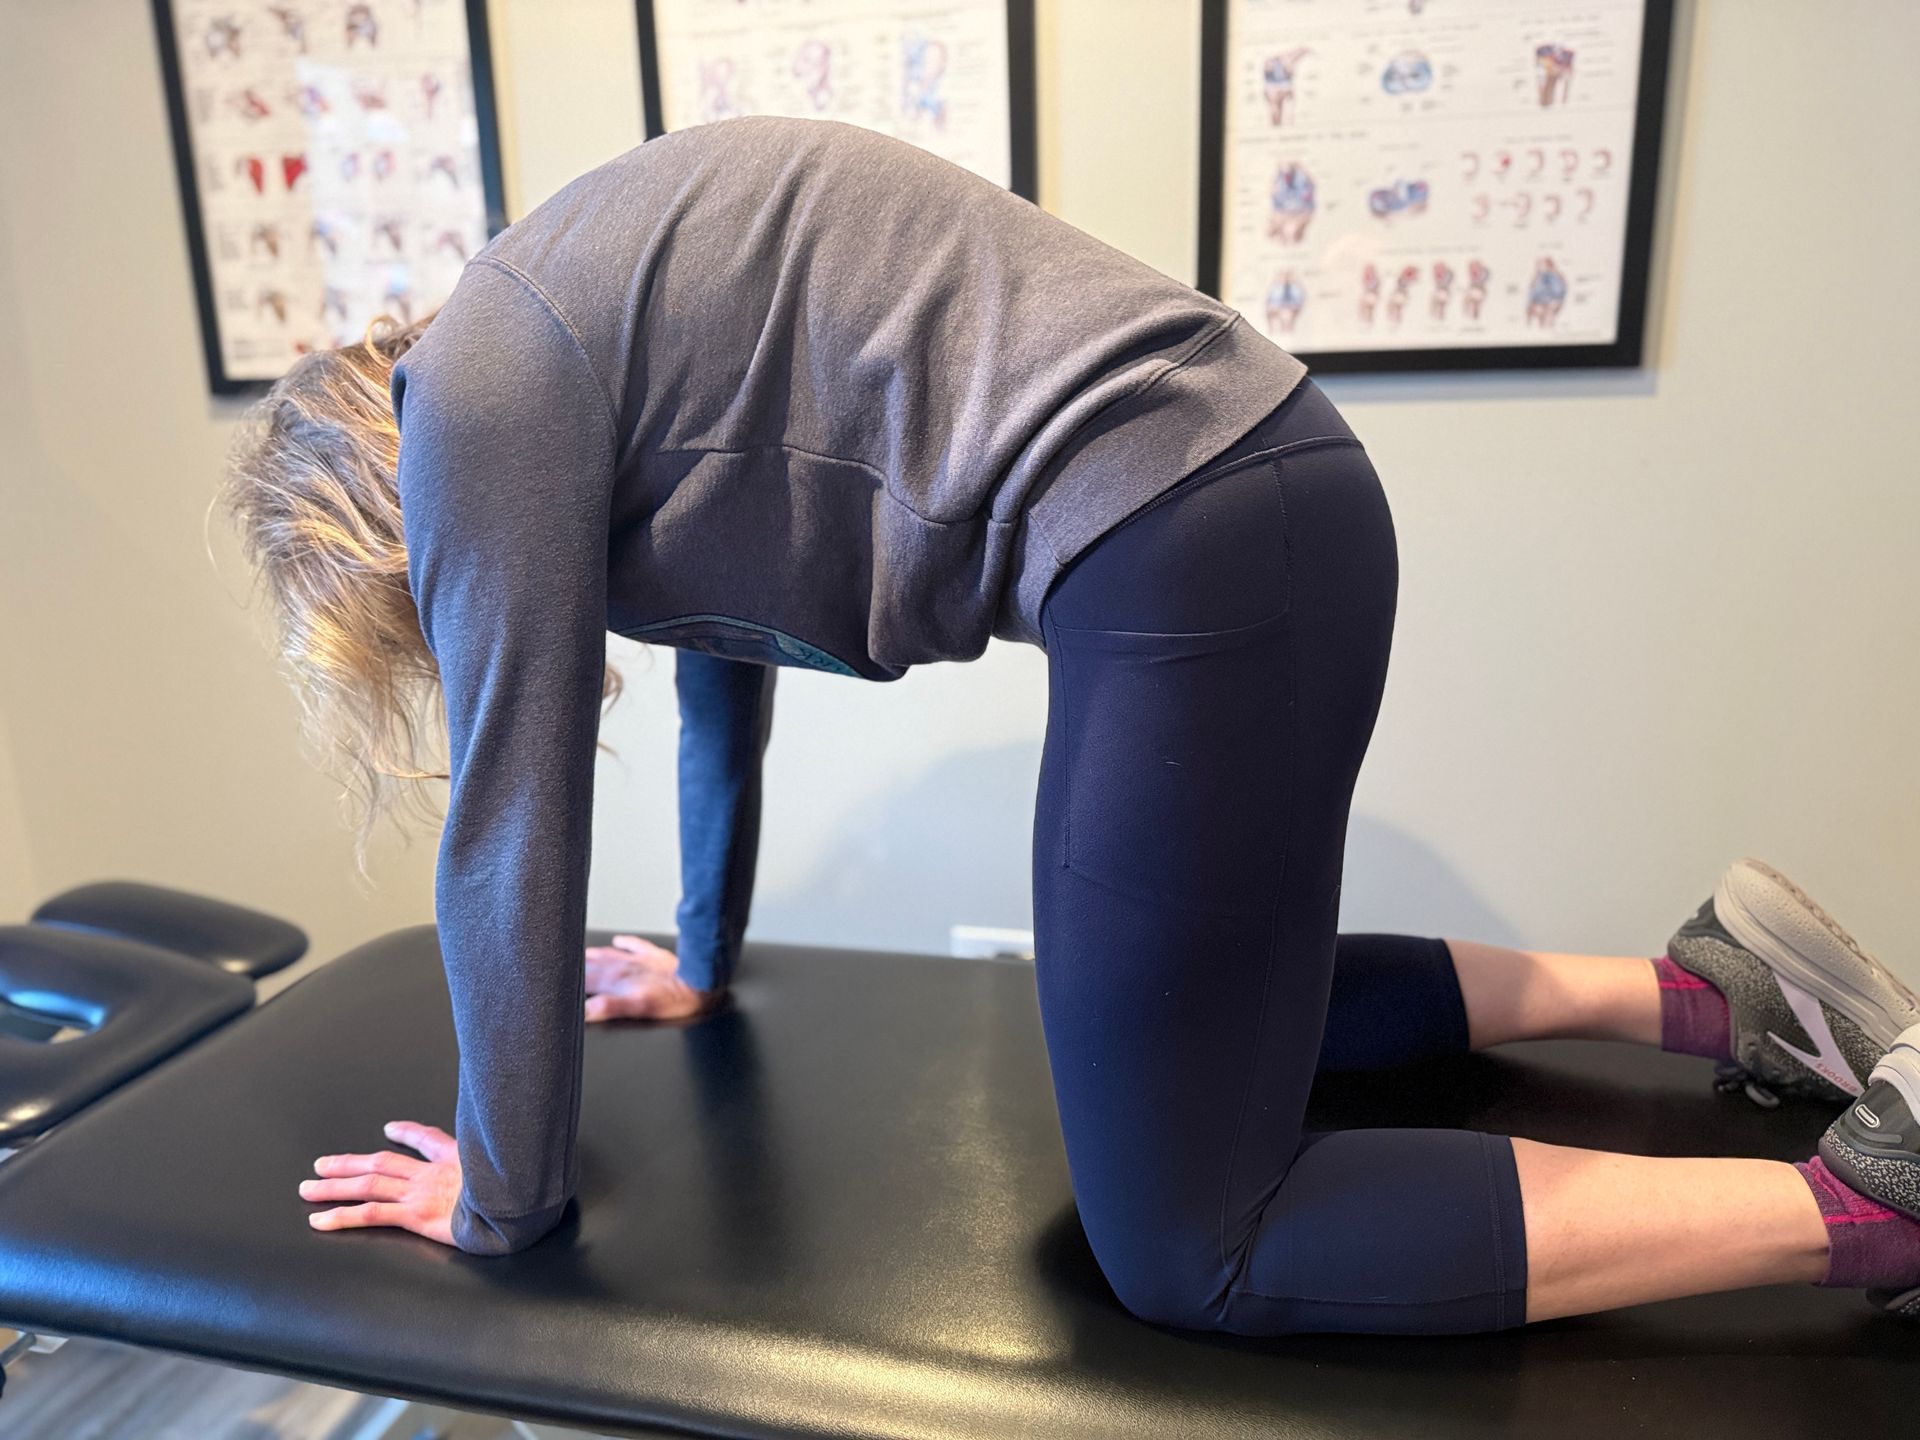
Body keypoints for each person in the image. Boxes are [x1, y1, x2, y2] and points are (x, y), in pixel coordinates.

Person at [222, 115, 1920, 1334]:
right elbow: (719, 673)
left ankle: (1865, 1207)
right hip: (1269, 500)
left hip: (1189, 536)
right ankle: (1713, 995)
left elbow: (510, 824)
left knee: (1194, 1248)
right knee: (1209, 1011)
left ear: (368, 522)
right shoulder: (566, 352)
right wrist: (702, 959)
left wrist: (503, 1199)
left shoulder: (477, 402)